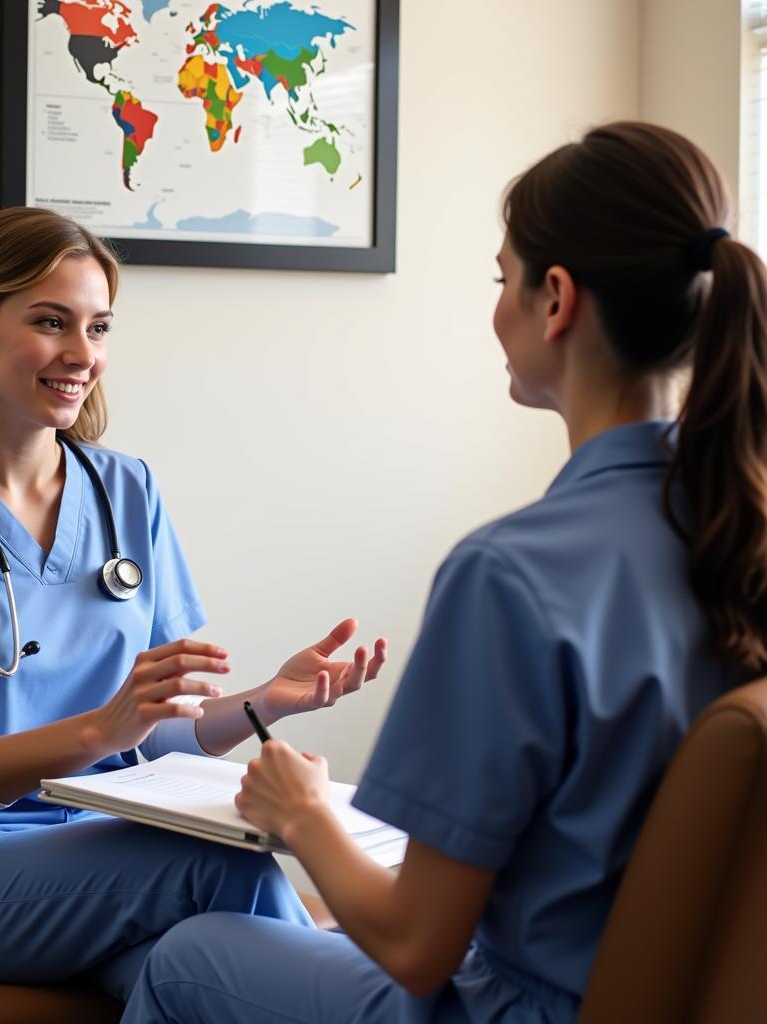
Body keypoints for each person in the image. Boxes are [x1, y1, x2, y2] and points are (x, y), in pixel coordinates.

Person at [120, 121, 765, 1023]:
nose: (496, 309)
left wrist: (301, 811)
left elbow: (418, 948)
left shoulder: (513, 575)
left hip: (518, 1008)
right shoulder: (743, 530)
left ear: (557, 300)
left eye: (502, 280)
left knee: (190, 958)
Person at [0, 206, 387, 1000]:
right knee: (217, 861)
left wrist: (265, 703)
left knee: (200, 973)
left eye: (99, 328)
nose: (82, 355)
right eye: (51, 323)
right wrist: (102, 729)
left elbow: (150, 741)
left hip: (93, 852)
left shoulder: (126, 489)